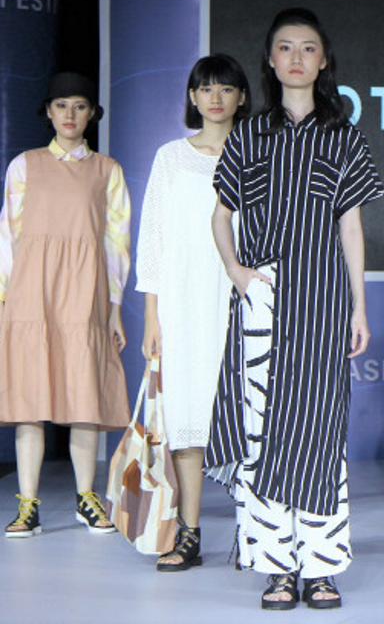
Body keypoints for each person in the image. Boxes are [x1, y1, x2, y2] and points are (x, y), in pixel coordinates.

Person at [205, 8, 383, 610]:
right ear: (271, 58)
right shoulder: (249, 134)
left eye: (308, 47)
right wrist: (236, 271)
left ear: (324, 59)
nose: (297, 57)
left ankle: (322, 566)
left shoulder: (345, 135)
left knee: (320, 429)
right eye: (286, 47)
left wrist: (359, 308)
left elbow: (351, 227)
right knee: (261, 430)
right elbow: (221, 215)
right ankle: (276, 566)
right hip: (264, 299)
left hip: (324, 298)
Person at [1, 72, 131, 537]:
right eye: (61, 105)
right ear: (48, 112)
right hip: (30, 294)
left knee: (84, 399)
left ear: (92, 112)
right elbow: (8, 236)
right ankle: (27, 505)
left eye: (79, 106)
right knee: (29, 400)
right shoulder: (25, 165)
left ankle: (86, 498)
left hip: (84, 293)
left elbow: (117, 245)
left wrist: (114, 308)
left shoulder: (107, 171)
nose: (70, 115)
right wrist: (4, 300)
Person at [136, 55, 251, 571]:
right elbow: (153, 238)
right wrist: (152, 314)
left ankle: (255, 532)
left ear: (242, 97)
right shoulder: (170, 158)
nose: (216, 98)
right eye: (206, 88)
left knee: (247, 416)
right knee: (186, 417)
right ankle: (188, 532)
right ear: (192, 97)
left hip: (239, 299)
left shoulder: (257, 155)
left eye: (226, 88)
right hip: (182, 303)